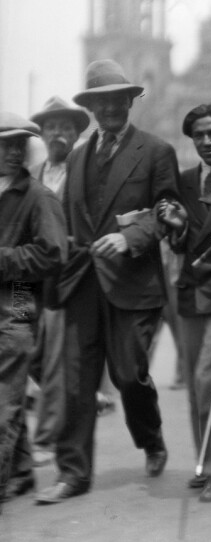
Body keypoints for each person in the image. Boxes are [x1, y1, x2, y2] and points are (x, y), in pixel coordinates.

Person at [35, 60, 180, 505]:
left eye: (119, 100)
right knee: (78, 381)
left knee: (128, 375)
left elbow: (168, 210)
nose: (112, 108)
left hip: (134, 284)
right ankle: (72, 472)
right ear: (92, 107)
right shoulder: (77, 156)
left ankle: (151, 438)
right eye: (103, 102)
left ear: (130, 102)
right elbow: (66, 218)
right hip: (83, 282)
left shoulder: (155, 151)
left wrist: (130, 236)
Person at [157, 103, 211, 502]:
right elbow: (180, 241)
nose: (207, 141)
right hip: (191, 292)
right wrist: (175, 229)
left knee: (209, 378)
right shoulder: (186, 181)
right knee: (198, 383)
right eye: (199, 136)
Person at [0, 113, 67, 511]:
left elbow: (53, 253)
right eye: (4, 144)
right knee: (7, 393)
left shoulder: (38, 197)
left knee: (5, 396)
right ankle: (22, 470)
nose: (12, 152)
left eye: (18, 145)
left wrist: (4, 260)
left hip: (21, 296)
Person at [25, 96, 90, 468]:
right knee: (25, 351)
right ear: (43, 133)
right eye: (52, 128)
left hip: (63, 282)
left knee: (51, 360)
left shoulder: (81, 172)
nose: (58, 135)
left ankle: (47, 438)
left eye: (66, 128)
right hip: (25, 284)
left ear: (75, 133)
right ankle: (65, 406)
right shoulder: (32, 175)